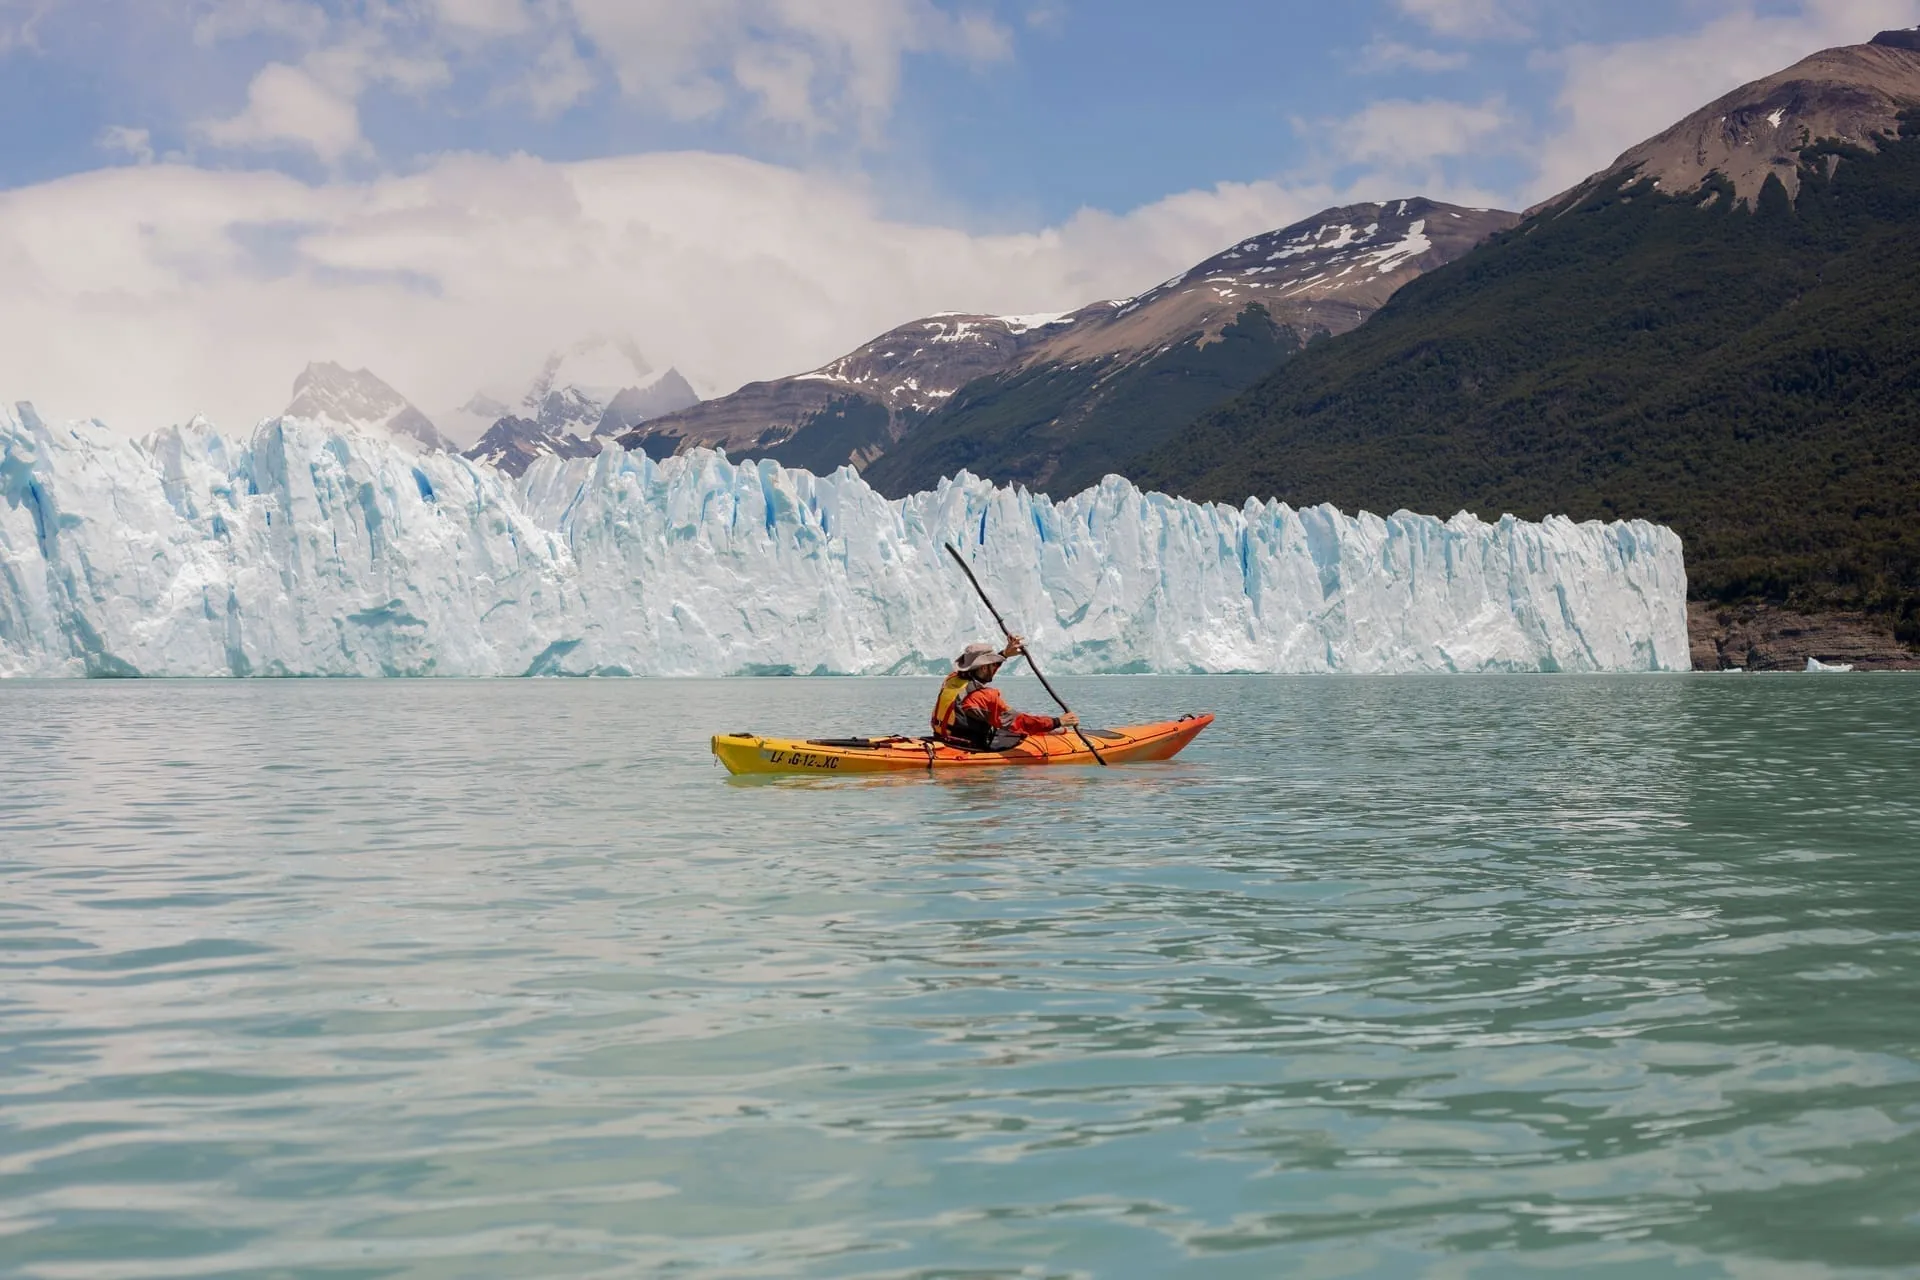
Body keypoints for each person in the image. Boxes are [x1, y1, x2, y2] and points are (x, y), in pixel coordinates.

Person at [931, 636, 1080, 749]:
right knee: (1020, 730)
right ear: (983, 667)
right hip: (969, 745)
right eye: (992, 664)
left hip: (943, 737)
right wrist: (1057, 721)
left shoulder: (952, 679)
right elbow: (1019, 721)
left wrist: (1005, 654)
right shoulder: (985, 697)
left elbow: (983, 673)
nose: (994, 668)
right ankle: (1052, 729)